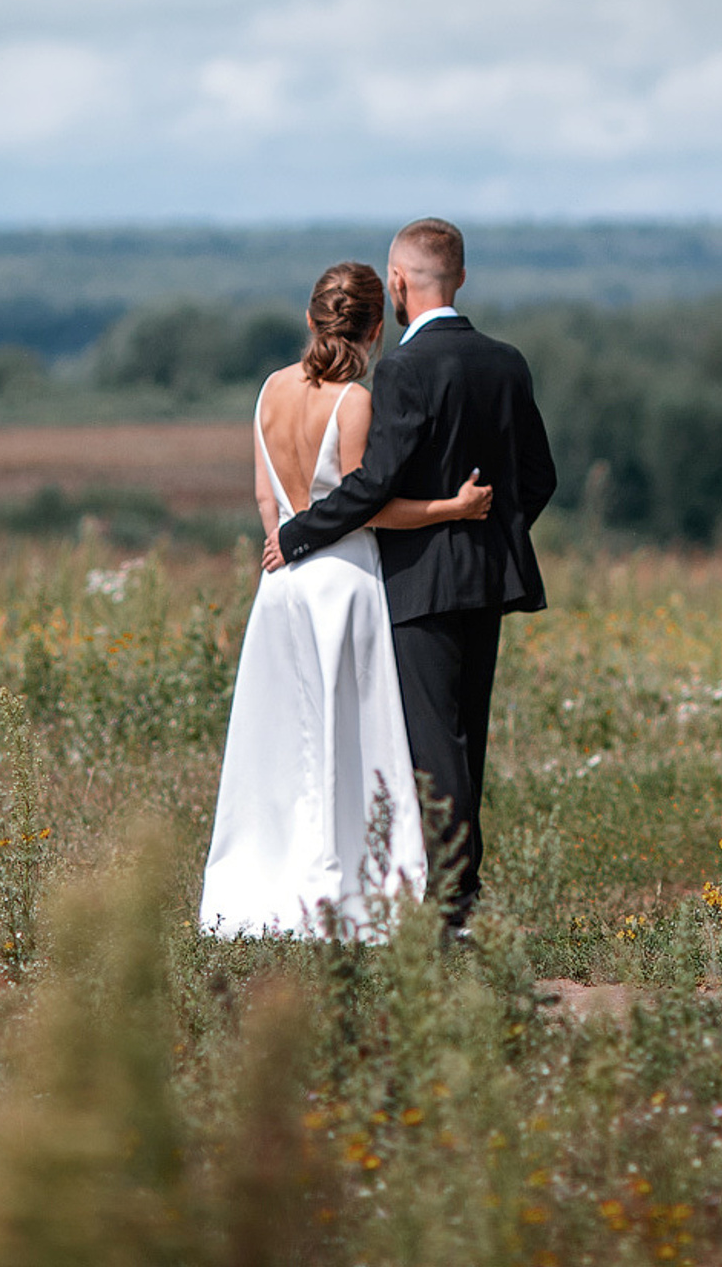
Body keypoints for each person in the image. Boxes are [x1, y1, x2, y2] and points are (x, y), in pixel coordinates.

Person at [268, 218, 557, 930]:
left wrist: (298, 533)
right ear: (460, 276)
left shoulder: (403, 369)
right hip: (489, 581)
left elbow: (373, 485)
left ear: (398, 282)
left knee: (434, 746)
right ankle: (457, 894)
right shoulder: (507, 360)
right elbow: (539, 478)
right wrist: (487, 534)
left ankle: (455, 905)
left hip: (418, 584)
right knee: (467, 737)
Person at [198, 259, 494, 938]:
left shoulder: (270, 389)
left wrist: (280, 543)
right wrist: (451, 506)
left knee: (284, 740)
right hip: (345, 586)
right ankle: (352, 889)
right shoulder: (356, 401)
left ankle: (268, 885)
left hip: (281, 585)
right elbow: (370, 509)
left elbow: (265, 496)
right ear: (374, 329)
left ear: (310, 320)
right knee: (353, 740)